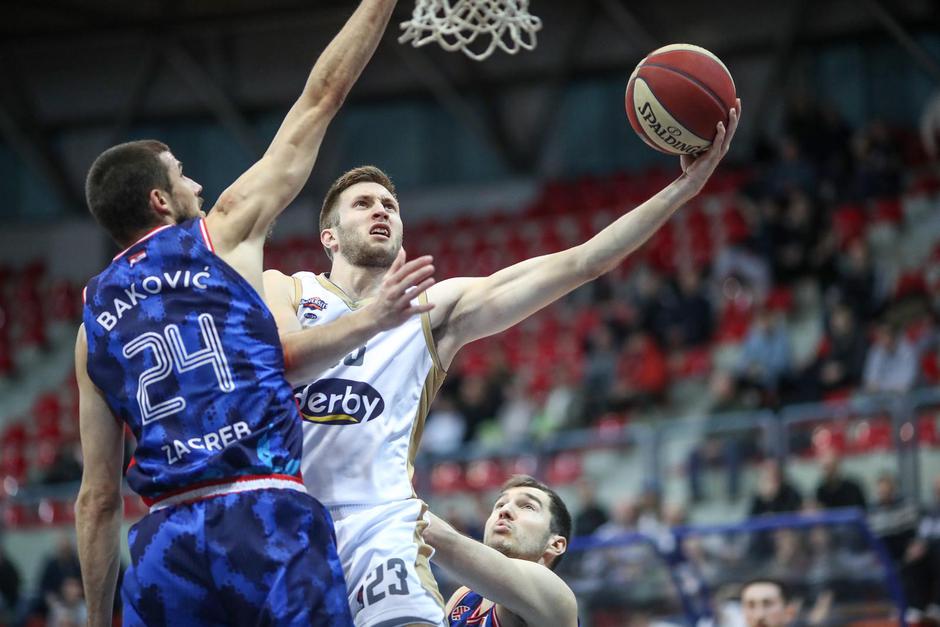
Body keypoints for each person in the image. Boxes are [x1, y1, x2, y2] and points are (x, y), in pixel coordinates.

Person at [263, 102, 741, 625]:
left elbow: (582, 262)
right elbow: (288, 357)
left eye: (389, 205)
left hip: (381, 526)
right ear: (329, 236)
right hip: (283, 520)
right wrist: (371, 318)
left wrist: (683, 191)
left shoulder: (432, 310)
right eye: (363, 204)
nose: (381, 210)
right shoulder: (284, 287)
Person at [74, 2, 429, 625]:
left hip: (166, 546)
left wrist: (100, 616)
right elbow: (322, 96)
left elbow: (97, 500)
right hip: (264, 516)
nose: (198, 189)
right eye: (183, 179)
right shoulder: (220, 234)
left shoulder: (89, 324)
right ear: (161, 200)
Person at [421, 475, 577, 627]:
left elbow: (443, 539)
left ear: (556, 544)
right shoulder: (464, 597)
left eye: (528, 506)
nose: (505, 510)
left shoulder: (555, 594)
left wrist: (401, 502)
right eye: (500, 505)